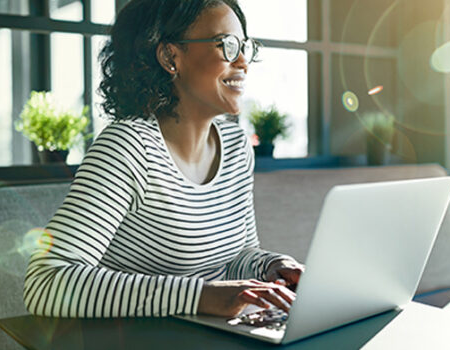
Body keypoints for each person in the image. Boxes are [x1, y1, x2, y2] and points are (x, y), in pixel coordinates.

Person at [23, 0, 304, 319]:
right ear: (171, 57)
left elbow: (236, 255)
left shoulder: (237, 147)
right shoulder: (127, 147)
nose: (242, 62)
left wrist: (270, 266)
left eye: (244, 47)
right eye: (226, 45)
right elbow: (45, 282)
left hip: (207, 336)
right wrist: (200, 296)